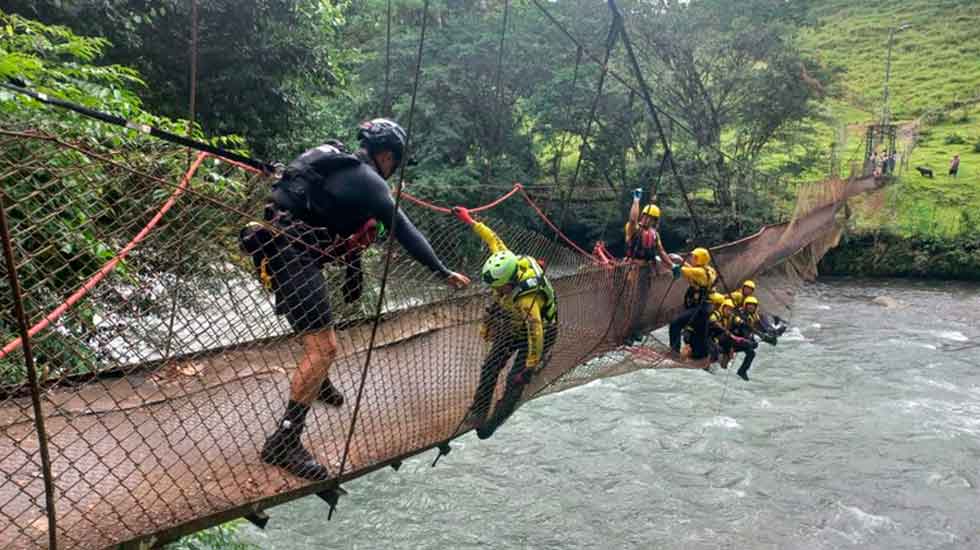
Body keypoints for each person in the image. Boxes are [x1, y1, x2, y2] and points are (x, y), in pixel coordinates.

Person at [242, 118, 471, 481]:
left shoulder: (335, 158)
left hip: (274, 243)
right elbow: (406, 232)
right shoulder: (371, 181)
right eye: (395, 161)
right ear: (385, 155)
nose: (393, 170)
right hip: (291, 252)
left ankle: (318, 383)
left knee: (320, 338)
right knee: (324, 348)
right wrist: (443, 272)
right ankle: (283, 442)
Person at [452, 206, 558, 439]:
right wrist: (469, 220)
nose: (496, 291)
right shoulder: (507, 260)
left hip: (542, 331)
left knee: (515, 382)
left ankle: (493, 421)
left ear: (510, 283)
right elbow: (493, 238)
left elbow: (536, 332)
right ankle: (478, 411)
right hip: (513, 324)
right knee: (491, 366)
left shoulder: (528, 297)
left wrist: (530, 366)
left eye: (499, 288)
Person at [668, 247, 717, 362]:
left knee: (675, 324)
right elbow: (694, 271)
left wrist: (663, 260)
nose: (691, 259)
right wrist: (680, 259)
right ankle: (699, 356)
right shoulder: (709, 270)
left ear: (699, 259)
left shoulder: (699, 272)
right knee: (699, 333)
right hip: (706, 308)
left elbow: (679, 270)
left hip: (700, 308)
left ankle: (674, 353)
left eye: (694, 257)